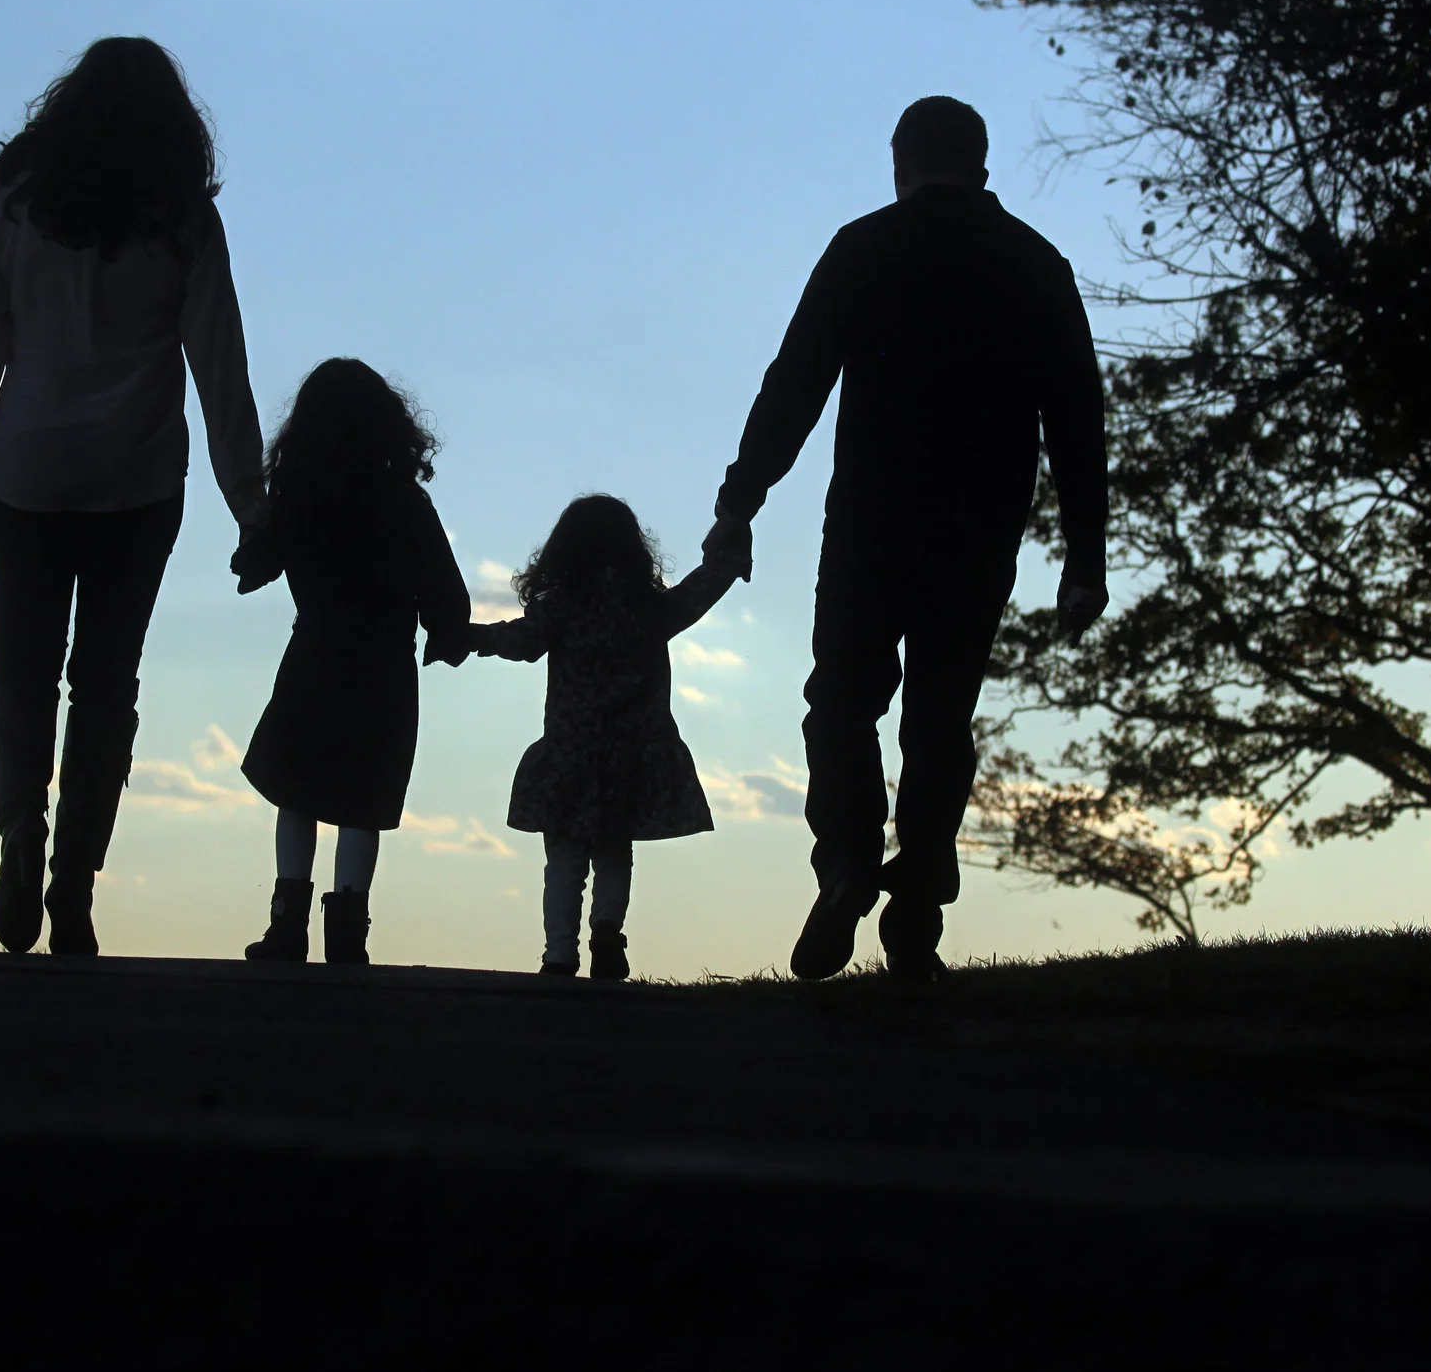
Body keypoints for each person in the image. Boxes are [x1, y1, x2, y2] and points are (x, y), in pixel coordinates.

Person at [703, 95, 1108, 985]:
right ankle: (918, 894)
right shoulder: (1037, 263)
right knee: (939, 713)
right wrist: (1086, 555)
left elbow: (795, 385)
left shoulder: (864, 248)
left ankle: (847, 861)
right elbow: (1079, 417)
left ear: (902, 163)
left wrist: (741, 500)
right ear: (983, 163)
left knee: (843, 700)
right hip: (980, 525)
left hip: (870, 521)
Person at [0, 36, 266, 957]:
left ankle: (17, 833)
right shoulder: (183, 222)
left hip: (28, 472)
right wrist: (252, 506)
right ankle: (73, 876)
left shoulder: (15, 207)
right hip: (138, 478)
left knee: (23, 669)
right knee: (105, 683)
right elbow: (220, 367)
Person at [233, 358, 470, 965]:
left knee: (297, 792)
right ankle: (348, 933)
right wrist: (448, 634)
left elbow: (255, 568)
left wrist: (254, 540)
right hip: (383, 670)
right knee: (363, 801)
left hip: (313, 656)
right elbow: (445, 588)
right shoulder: (404, 502)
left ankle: (286, 925)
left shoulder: (300, 496)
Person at [471, 495, 739, 980]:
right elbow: (699, 591)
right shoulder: (648, 609)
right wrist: (730, 556)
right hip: (632, 754)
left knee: (565, 858)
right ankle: (608, 934)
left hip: (572, 751)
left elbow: (520, 641)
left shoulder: (563, 607)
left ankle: (558, 954)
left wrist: (470, 638)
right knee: (615, 848)